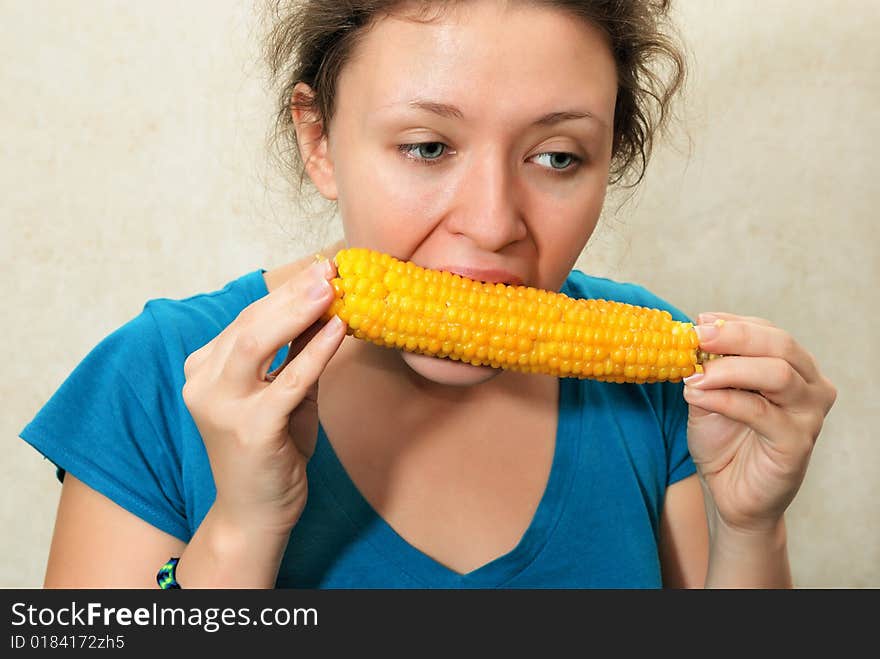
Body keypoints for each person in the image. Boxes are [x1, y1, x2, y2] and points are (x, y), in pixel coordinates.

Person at [21, 0, 837, 589]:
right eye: (427, 146)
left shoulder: (658, 388)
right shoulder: (156, 377)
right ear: (321, 142)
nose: (491, 225)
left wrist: (749, 530)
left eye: (557, 157)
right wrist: (241, 528)